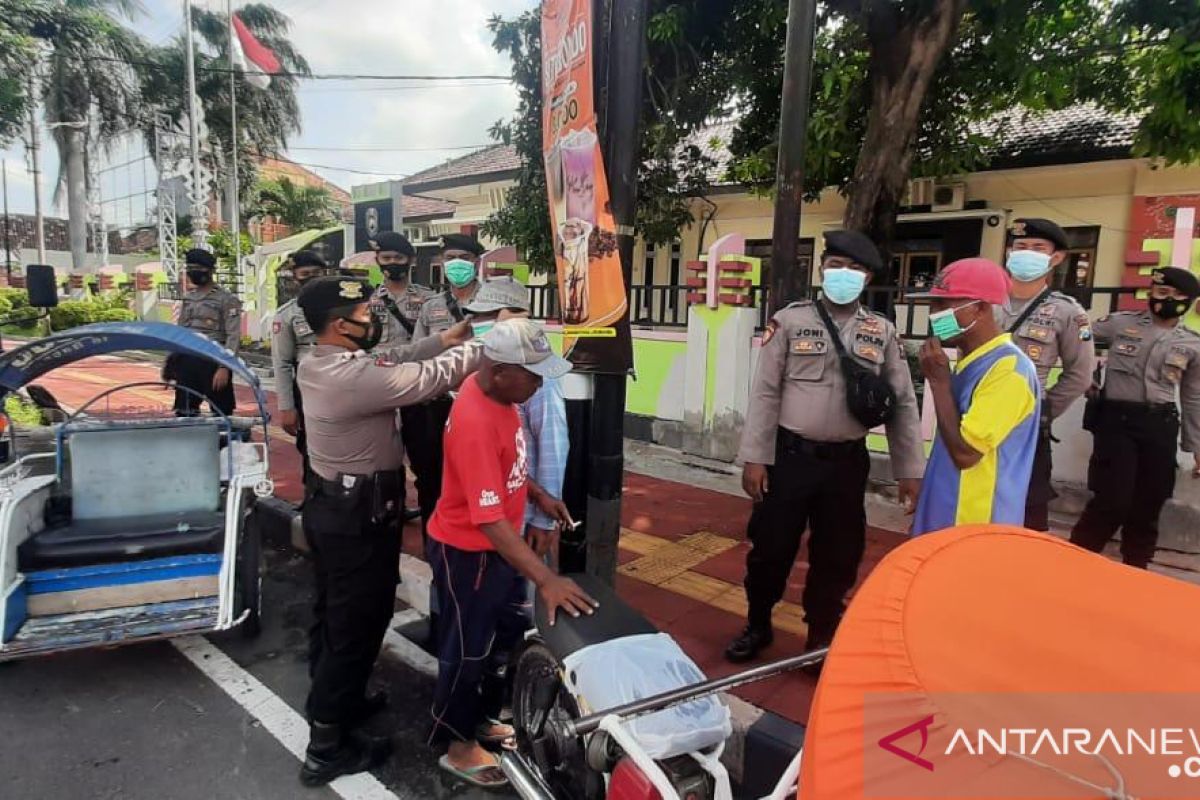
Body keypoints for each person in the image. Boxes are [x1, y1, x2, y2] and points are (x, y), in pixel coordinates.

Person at [294, 276, 476, 786]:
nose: (371, 317)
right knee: (356, 624)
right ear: (340, 323)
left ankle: (336, 703)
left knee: (334, 614)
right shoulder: (347, 377)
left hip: (338, 510)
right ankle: (326, 746)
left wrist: (449, 335)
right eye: (362, 311)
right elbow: (427, 379)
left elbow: (400, 357)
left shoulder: (327, 362)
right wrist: (492, 344)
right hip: (357, 518)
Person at [728, 230, 925, 665]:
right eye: (836, 265)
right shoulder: (791, 321)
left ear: (868, 277)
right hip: (789, 460)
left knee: (837, 556)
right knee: (771, 549)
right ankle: (757, 624)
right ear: (821, 270)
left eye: (854, 269)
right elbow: (765, 392)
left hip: (846, 465)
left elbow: (903, 400)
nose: (844, 274)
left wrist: (909, 468)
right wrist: (755, 457)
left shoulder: (882, 331)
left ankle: (819, 638)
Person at [427, 318, 593, 790]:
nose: (540, 382)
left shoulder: (501, 398)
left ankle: (476, 718)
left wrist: (537, 493)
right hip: (470, 554)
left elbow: (504, 470)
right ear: (499, 370)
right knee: (465, 651)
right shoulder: (476, 420)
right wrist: (547, 579)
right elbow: (490, 520)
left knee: (497, 642)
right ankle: (458, 748)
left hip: (493, 550)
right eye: (532, 373)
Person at [1070, 266, 1200, 568]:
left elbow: (1192, 396)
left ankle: (1136, 570)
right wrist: (1083, 375)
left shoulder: (1193, 344)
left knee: (1150, 503)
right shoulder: (1119, 324)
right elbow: (1076, 337)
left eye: (1177, 295)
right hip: (1117, 422)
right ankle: (1075, 560)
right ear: (1150, 293)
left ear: (1190, 302)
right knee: (1112, 500)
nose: (1167, 299)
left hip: (1160, 425)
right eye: (1162, 292)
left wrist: (1195, 447)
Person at [910, 258, 1042, 536]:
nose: (934, 315)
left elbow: (966, 453)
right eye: (932, 305)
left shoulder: (1008, 371)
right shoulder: (972, 362)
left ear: (980, 308)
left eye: (942, 306)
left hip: (974, 523)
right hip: (948, 515)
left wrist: (938, 383)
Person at [994, 218, 1096, 531]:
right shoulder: (984, 300)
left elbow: (1080, 373)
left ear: (1057, 258)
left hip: (1024, 428)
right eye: (1021, 246)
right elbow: (946, 339)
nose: (1027, 253)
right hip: (973, 420)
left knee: (1026, 512)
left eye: (1038, 248)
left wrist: (1044, 409)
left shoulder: (1069, 312)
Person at [465, 277, 570, 570]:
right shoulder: (483, 361)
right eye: (476, 315)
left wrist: (542, 519)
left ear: (514, 315)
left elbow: (552, 444)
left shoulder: (536, 372)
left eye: (487, 315)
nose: (478, 322)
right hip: (487, 509)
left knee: (526, 591)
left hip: (521, 515)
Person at [405, 233, 489, 534]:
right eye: (451, 257)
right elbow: (420, 354)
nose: (457, 264)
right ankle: (434, 538)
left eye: (464, 259)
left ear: (477, 262)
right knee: (431, 476)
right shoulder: (431, 307)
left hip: (481, 403)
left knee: (478, 474)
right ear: (441, 261)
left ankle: (474, 539)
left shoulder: (494, 301)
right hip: (439, 404)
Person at [271, 249, 327, 485]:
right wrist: (286, 407)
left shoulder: (344, 305)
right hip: (308, 389)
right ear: (295, 277)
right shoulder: (287, 315)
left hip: (346, 383)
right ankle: (313, 498)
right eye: (305, 274)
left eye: (317, 273)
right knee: (311, 447)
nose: (311, 278)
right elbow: (282, 363)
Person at [166, 248, 242, 416]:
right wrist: (172, 361)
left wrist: (225, 367)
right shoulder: (189, 298)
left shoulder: (226, 299)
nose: (193, 272)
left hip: (213, 360)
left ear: (210, 271)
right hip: (188, 360)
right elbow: (181, 332)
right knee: (185, 411)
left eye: (198, 269)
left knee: (222, 412)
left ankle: (222, 442)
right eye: (190, 269)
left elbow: (233, 336)